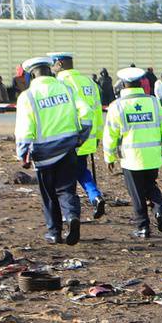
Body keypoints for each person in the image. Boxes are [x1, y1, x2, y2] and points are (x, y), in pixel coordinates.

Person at [14, 54, 93, 244]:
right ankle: (72, 215)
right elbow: (87, 112)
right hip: (68, 148)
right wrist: (81, 136)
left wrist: (22, 154)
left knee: (49, 195)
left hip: (44, 154)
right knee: (66, 190)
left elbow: (25, 128)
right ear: (50, 71)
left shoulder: (28, 96)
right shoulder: (66, 89)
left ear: (32, 76)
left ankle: (54, 232)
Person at [101, 67, 162, 239]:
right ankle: (159, 211)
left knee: (136, 194)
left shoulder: (117, 106)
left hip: (131, 159)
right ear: (140, 83)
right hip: (153, 156)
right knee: (151, 187)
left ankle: (143, 227)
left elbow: (110, 135)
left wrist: (109, 157)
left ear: (123, 85)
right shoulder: (153, 102)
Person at [53, 53, 108, 219]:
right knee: (81, 171)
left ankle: (70, 214)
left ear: (60, 64)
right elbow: (97, 111)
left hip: (68, 139)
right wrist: (97, 135)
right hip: (88, 138)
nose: (52, 68)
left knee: (65, 179)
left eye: (54, 64)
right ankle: (95, 195)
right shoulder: (88, 82)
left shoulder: (59, 84)